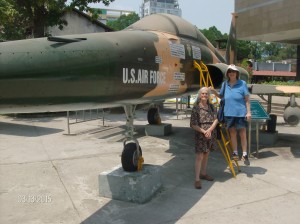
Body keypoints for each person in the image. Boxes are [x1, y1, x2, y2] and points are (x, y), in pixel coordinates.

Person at [210, 64, 251, 165]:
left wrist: (248, 112)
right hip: (229, 113)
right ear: (228, 74)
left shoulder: (242, 83)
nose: (232, 73)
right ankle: (235, 152)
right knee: (232, 133)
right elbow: (221, 96)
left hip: (241, 113)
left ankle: (245, 154)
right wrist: (213, 91)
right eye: (230, 72)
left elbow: (247, 100)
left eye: (233, 71)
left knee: (242, 133)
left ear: (236, 73)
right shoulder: (225, 84)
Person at [190, 87, 218, 189]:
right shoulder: (196, 108)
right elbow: (193, 124)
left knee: (206, 154)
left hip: (210, 134)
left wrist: (210, 130)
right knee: (199, 157)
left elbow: (216, 119)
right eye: (202, 94)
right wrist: (204, 131)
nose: (204, 95)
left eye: (206, 94)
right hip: (200, 134)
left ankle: (203, 173)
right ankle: (197, 179)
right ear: (199, 95)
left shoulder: (212, 107)